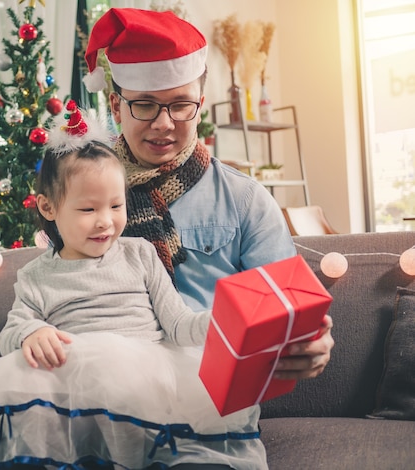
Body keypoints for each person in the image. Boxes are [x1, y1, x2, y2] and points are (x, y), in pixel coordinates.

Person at [0, 103, 260, 469]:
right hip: (74, 388)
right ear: (49, 208)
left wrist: (222, 320)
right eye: (88, 210)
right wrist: (31, 332)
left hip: (145, 378)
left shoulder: (141, 254)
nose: (106, 222)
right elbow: (10, 333)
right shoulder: (36, 276)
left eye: (116, 206)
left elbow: (178, 324)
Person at [81, 6, 335, 468]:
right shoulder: (81, 199)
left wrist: (313, 342)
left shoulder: (243, 200)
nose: (163, 123)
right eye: (144, 105)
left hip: (211, 421)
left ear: (200, 101)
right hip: (102, 411)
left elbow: (286, 305)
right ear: (116, 104)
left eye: (180, 105)